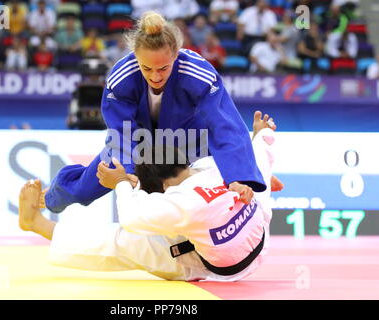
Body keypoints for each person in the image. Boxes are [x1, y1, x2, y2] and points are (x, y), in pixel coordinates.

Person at [42, 11, 267, 216]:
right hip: (138, 142)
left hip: (190, 142)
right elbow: (121, 134)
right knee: (85, 189)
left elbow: (224, 124)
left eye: (163, 68)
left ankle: (255, 171)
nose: (156, 76)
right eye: (147, 68)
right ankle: (51, 196)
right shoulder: (121, 77)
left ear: (176, 55)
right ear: (136, 57)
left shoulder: (198, 72)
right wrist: (126, 174)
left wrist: (237, 178)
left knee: (220, 181)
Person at [19, 111, 278, 281]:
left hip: (217, 269)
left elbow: (132, 219)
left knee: (124, 242)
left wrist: (121, 182)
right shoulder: (220, 167)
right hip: (260, 236)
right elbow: (262, 150)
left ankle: (37, 224)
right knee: (256, 186)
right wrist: (260, 134)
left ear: (162, 186)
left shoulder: (181, 203)